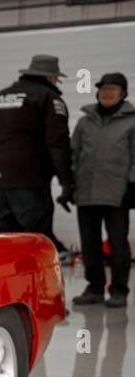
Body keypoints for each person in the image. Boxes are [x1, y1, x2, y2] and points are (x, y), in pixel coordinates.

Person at [0, 54, 74, 253]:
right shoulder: (49, 98)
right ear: (51, 78)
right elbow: (58, 144)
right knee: (36, 243)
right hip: (30, 182)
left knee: (6, 243)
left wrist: (1, 161)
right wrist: (66, 182)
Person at [68, 72, 134, 308]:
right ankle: (94, 288)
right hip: (86, 192)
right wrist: (69, 184)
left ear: (123, 93)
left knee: (117, 244)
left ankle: (119, 290)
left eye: (113, 89)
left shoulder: (131, 121)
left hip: (117, 194)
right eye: (104, 88)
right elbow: (73, 154)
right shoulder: (85, 121)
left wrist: (132, 186)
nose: (107, 93)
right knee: (89, 244)